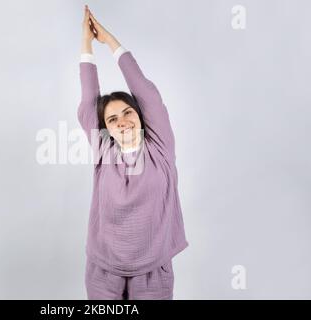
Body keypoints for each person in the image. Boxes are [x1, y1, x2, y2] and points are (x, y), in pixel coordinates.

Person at [78, 5, 189, 300]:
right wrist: (86, 45)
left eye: (128, 112)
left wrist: (109, 42)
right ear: (105, 128)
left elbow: (146, 91)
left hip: (152, 272)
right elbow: (89, 99)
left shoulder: (160, 148)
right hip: (103, 270)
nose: (122, 121)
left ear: (140, 115)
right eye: (112, 119)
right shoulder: (103, 149)